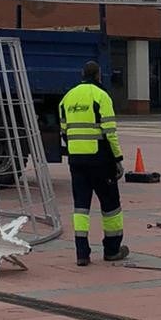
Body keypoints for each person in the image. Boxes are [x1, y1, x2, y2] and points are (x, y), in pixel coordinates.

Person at [59, 61, 129, 266]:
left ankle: (82, 253)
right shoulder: (101, 96)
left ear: (82, 74)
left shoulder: (67, 98)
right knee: (110, 206)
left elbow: (64, 131)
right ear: (98, 75)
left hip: (76, 160)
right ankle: (112, 249)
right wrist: (118, 159)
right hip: (100, 160)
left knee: (81, 207)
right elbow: (110, 133)